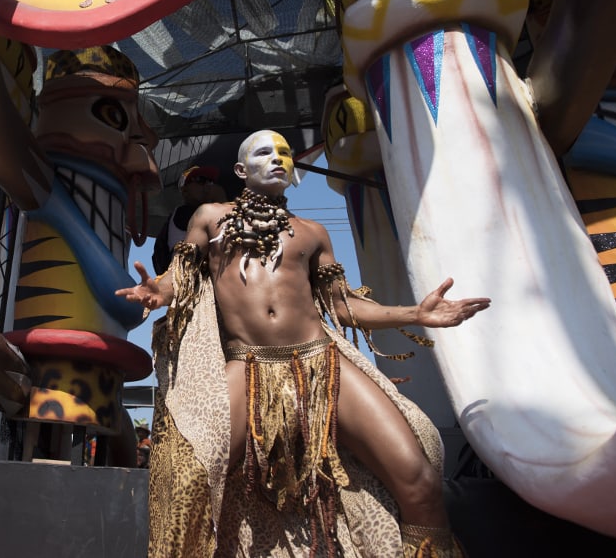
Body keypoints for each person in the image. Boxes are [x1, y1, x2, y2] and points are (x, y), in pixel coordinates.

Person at [116, 130, 490, 557]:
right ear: (241, 170)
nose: (278, 158)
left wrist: (416, 314)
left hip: (321, 364)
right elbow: (180, 275)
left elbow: (343, 307)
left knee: (419, 478)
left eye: (284, 153)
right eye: (264, 152)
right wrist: (158, 292)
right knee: (189, 480)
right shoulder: (211, 216)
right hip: (248, 364)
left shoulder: (312, 233)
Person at [152, 165, 225, 275]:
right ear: (185, 190)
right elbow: (226, 225)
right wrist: (221, 197)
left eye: (210, 181)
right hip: (190, 281)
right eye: (200, 180)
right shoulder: (186, 212)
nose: (207, 185)